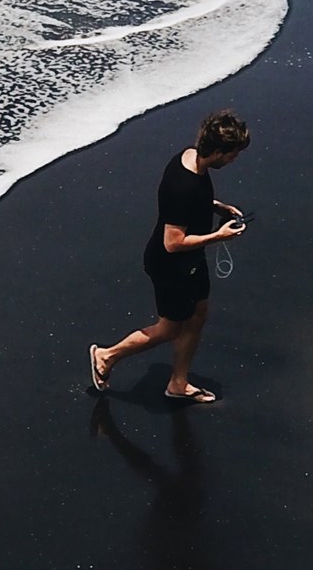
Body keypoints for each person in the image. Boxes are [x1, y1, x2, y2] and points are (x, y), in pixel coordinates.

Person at [89, 110, 249, 402]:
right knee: (169, 329)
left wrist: (216, 207)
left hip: (191, 260)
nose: (233, 160)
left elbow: (192, 201)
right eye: (231, 155)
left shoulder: (190, 159)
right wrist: (218, 236)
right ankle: (107, 355)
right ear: (215, 151)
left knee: (198, 314)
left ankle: (178, 382)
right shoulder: (182, 185)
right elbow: (172, 243)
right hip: (171, 266)